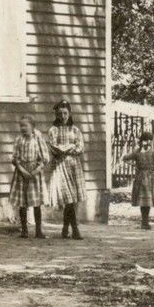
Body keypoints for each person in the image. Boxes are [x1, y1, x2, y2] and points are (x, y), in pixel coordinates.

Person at [44, 101, 85, 240]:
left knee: (72, 199)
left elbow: (80, 147)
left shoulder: (75, 130)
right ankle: (75, 229)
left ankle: (65, 228)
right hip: (60, 166)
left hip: (74, 166)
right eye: (60, 113)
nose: (63, 116)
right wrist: (69, 147)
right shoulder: (53, 130)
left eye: (65, 113)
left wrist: (69, 148)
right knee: (68, 197)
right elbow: (53, 147)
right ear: (56, 114)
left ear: (69, 113)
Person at [8, 115, 49, 238]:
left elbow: (45, 157)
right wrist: (21, 170)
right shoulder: (19, 139)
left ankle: (38, 230)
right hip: (21, 173)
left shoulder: (38, 138)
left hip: (35, 173)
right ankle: (24, 230)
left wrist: (37, 170)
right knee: (22, 203)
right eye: (21, 126)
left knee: (36, 203)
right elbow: (15, 158)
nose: (23, 128)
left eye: (25, 125)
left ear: (32, 126)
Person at [123, 129, 154, 231]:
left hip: (150, 177)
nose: (148, 142)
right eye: (145, 140)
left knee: (148, 200)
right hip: (140, 177)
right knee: (142, 200)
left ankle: (145, 222)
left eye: (150, 140)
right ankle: (144, 221)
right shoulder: (137, 152)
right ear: (141, 141)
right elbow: (125, 158)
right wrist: (134, 165)